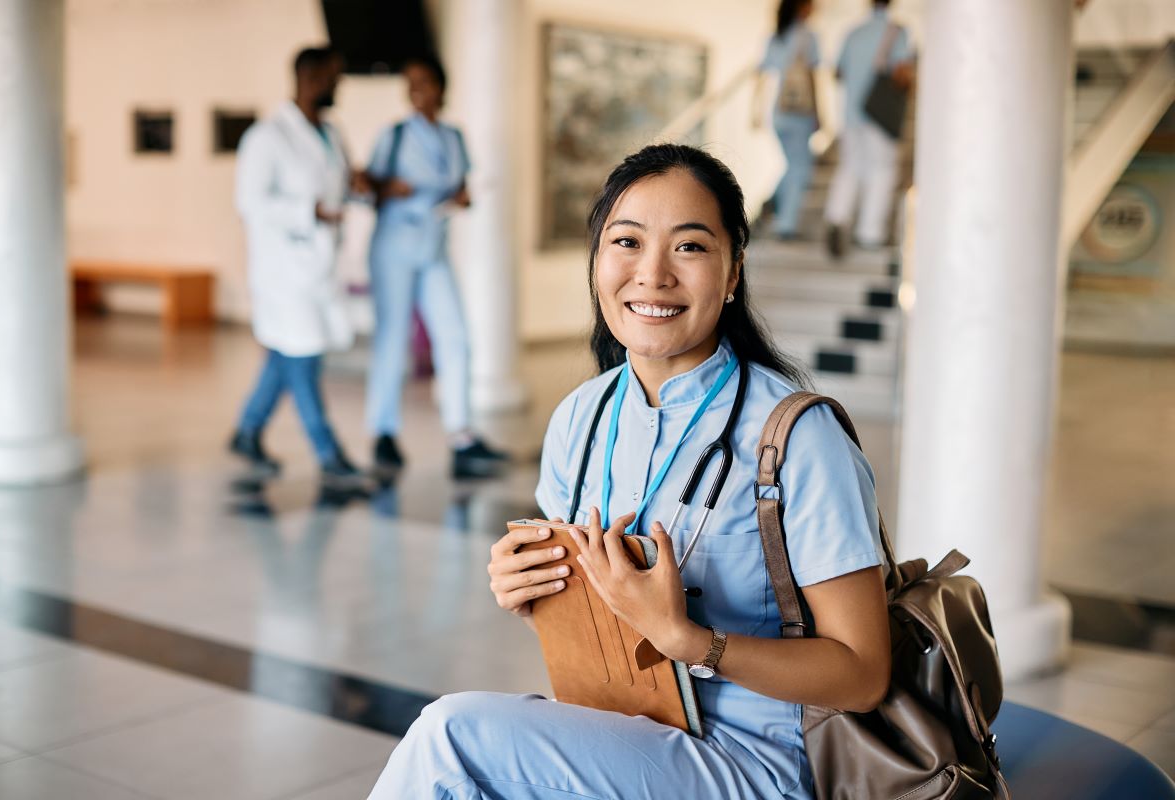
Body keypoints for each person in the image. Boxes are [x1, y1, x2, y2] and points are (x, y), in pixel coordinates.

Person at [367, 144, 892, 799]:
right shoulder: (580, 420)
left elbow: (863, 674)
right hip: (623, 726)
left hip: (752, 764)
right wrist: (530, 593)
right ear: (596, 264)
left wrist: (691, 640)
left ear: (733, 274)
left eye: (690, 247)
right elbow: (595, 618)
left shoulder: (796, 438)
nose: (653, 274)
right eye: (627, 242)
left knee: (450, 740)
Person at [364, 55, 509, 480]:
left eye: (424, 82)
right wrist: (385, 187)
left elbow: (465, 184)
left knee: (456, 336)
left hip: (433, 247)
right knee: (393, 338)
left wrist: (465, 196)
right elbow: (366, 186)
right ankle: (384, 433)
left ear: (441, 88)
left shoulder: (454, 137)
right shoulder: (392, 136)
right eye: (410, 83)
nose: (416, 91)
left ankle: (461, 437)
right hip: (394, 245)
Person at [229, 46, 362, 482]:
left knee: (287, 353)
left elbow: (339, 185)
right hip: (282, 269)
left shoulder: (330, 132)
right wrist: (312, 211)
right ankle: (329, 455)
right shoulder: (266, 137)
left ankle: (247, 431)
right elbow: (250, 203)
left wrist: (361, 186)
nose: (338, 86)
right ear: (311, 78)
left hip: (318, 266)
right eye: (334, 78)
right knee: (301, 355)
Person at [823, 0, 913, 257]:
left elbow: (838, 73)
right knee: (882, 170)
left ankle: (837, 217)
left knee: (851, 167)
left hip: (852, 114)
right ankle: (869, 233)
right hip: (880, 116)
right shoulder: (898, 32)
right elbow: (900, 72)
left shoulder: (853, 32)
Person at [752, 0, 820, 241]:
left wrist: (755, 112)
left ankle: (772, 205)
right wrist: (819, 113)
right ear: (802, 7)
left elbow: (760, 75)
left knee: (792, 165)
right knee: (801, 167)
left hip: (778, 113)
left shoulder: (775, 37)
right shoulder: (808, 36)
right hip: (800, 113)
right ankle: (785, 225)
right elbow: (812, 78)